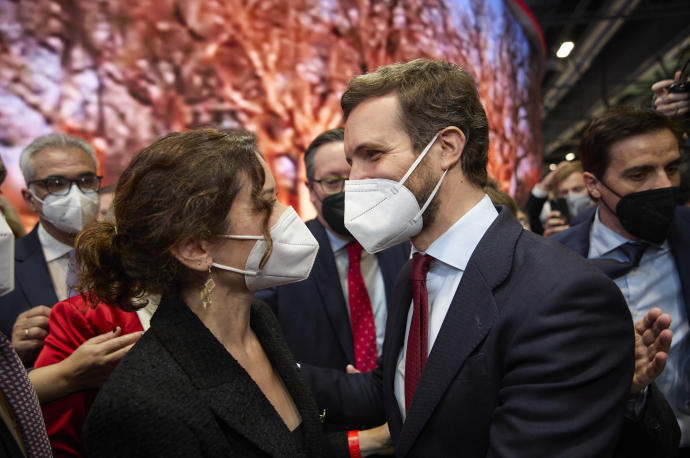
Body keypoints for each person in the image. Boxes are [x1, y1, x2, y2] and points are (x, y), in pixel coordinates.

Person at [300, 58, 634, 457]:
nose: (354, 182)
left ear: (447, 148)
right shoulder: (414, 274)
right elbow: (401, 390)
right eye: (353, 162)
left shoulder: (563, 296)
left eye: (373, 154)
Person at [79, 129, 392, 457]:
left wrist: (370, 440)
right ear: (196, 248)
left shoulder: (259, 324)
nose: (287, 217)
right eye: (264, 204)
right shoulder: (139, 407)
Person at [553, 106, 689, 456]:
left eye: (671, 169)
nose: (663, 186)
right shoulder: (551, 261)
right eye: (639, 174)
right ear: (594, 185)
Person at [256, 128, 408, 374]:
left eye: (356, 179)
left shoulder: (403, 246)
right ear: (311, 191)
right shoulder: (280, 259)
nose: (347, 191)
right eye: (332, 182)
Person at [0, 134, 101, 366]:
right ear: (30, 198)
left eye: (86, 180)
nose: (75, 195)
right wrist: (12, 354)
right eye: (56, 184)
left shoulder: (134, 256)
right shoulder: (4, 265)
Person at [525, 160, 593, 236]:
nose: (571, 196)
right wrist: (544, 185)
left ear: (591, 186)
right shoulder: (557, 224)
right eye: (564, 192)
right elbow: (532, 219)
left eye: (577, 189)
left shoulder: (603, 219)